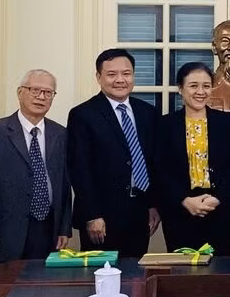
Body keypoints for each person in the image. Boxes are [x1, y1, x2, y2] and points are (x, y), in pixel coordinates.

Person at [0, 69, 72, 274]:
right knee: (4, 292)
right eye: (35, 90)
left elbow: (64, 184)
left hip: (48, 229)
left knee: (44, 291)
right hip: (5, 233)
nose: (41, 97)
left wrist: (64, 228)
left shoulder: (60, 133)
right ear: (20, 92)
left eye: (48, 92)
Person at [67, 48, 161, 257]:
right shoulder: (83, 114)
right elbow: (79, 169)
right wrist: (92, 215)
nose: (120, 80)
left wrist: (153, 205)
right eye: (111, 74)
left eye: (126, 73)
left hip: (139, 213)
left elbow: (152, 163)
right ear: (99, 77)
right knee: (101, 278)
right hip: (102, 218)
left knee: (136, 278)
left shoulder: (148, 113)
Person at [156, 62, 230, 254]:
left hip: (219, 209)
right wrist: (184, 200)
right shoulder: (165, 125)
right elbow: (160, 170)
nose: (200, 92)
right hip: (180, 210)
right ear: (180, 89)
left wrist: (218, 198)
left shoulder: (225, 122)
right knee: (183, 273)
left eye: (206, 86)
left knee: (218, 274)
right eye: (193, 85)